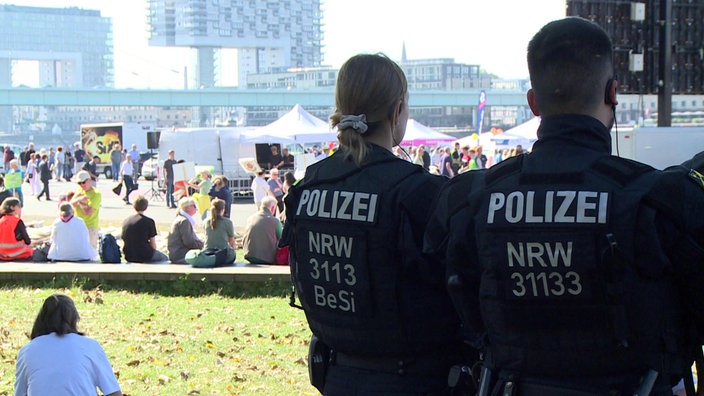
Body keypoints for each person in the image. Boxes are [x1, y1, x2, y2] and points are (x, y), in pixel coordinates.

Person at [424, 17, 704, 396]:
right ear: (613, 93)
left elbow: (450, 310)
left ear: (533, 103)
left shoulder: (468, 200)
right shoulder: (662, 199)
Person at [280, 53, 462, 395]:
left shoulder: (308, 186)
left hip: (337, 376)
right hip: (415, 379)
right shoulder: (420, 191)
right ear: (397, 111)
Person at [15, 294, 122, 396]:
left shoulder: (27, 351)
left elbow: (20, 393)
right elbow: (113, 392)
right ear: (74, 319)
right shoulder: (90, 346)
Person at [122, 195, 168, 263]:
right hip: (144, 254)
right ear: (146, 207)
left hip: (129, 254)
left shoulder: (126, 221)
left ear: (134, 206)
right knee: (165, 258)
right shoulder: (149, 221)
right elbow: (153, 244)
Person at [242, 196, 281, 264]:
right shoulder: (275, 222)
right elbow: (282, 240)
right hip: (268, 258)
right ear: (273, 208)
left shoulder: (250, 218)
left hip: (250, 255)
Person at [167, 197, 204, 264]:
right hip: (180, 255)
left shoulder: (180, 218)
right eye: (194, 206)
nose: (196, 208)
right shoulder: (184, 221)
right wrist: (202, 244)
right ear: (187, 208)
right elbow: (189, 242)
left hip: (177, 253)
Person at [70, 171, 101, 251]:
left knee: (90, 251)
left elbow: (88, 212)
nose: (82, 185)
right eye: (79, 183)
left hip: (90, 227)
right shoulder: (79, 190)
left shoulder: (96, 194)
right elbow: (71, 204)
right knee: (78, 250)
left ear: (89, 180)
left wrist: (81, 203)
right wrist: (78, 199)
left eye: (83, 182)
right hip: (78, 226)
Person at [200, 198, 236, 264]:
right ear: (222, 209)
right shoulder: (227, 222)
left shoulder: (206, 222)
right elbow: (231, 240)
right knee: (232, 254)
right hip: (223, 253)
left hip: (208, 252)